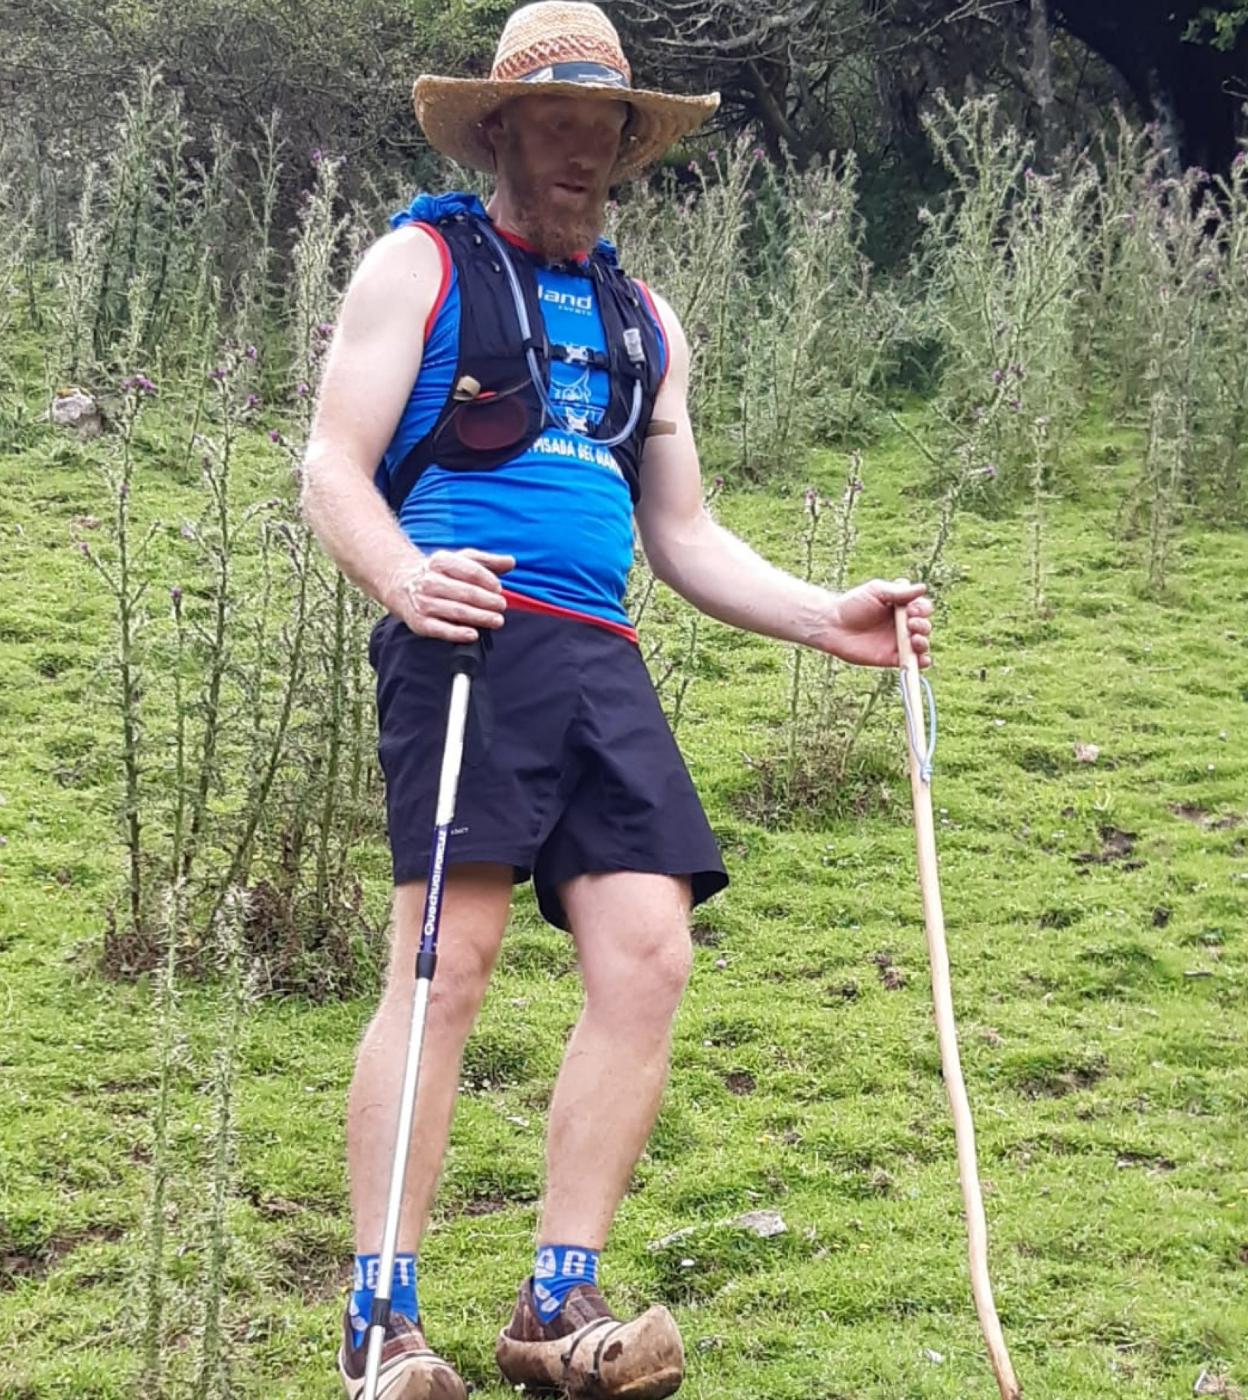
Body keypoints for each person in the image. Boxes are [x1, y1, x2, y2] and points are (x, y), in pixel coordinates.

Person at [300, 3, 935, 1396]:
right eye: (559, 129)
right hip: (466, 637)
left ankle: (552, 1307)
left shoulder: (646, 320)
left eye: (607, 135)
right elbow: (332, 467)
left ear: (626, 149)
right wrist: (405, 579)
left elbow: (686, 535)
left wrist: (828, 616)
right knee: (443, 963)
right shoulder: (419, 265)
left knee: (649, 956)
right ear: (506, 131)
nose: (583, 158)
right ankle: (380, 1323)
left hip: (601, 658)